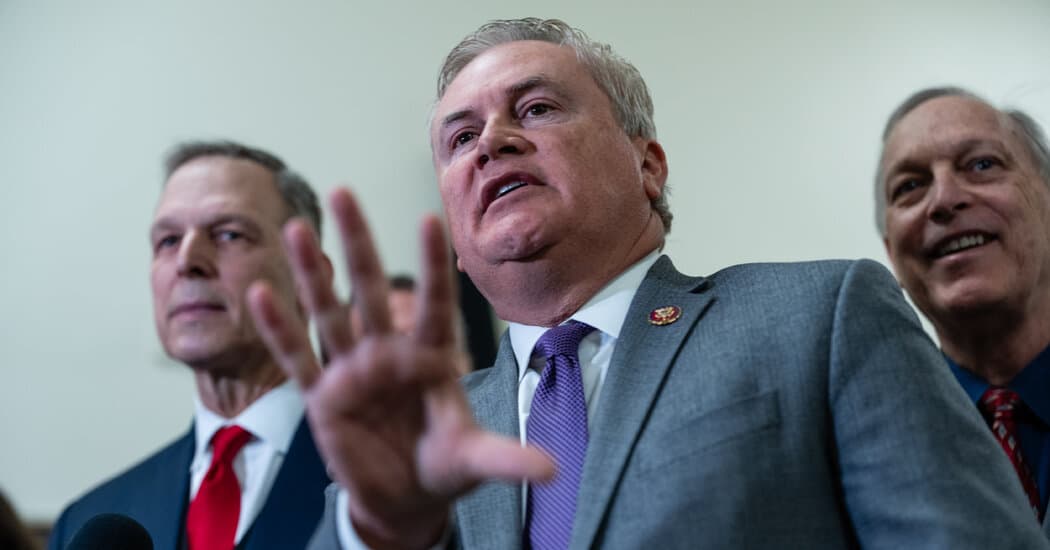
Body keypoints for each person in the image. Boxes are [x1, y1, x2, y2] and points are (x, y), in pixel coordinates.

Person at [247, 19, 1049, 549]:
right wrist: (385, 528)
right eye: (461, 137)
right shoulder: (419, 435)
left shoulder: (822, 315)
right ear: (457, 235)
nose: (492, 139)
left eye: (534, 107)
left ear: (648, 164)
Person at [49, 141, 331, 550]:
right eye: (167, 240)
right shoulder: (88, 520)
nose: (187, 260)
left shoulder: (403, 482)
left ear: (309, 278)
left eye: (229, 234)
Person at [877, 87, 1050, 534]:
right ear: (892, 254)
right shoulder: (872, 448)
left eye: (982, 164)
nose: (944, 200)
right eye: (911, 186)